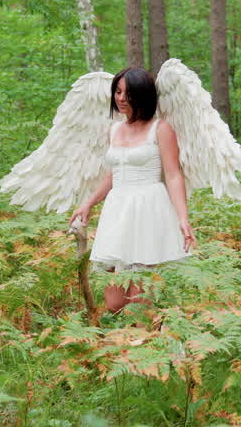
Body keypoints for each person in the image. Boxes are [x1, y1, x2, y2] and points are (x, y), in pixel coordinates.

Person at [68, 67, 196, 313]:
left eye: (128, 93)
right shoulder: (114, 130)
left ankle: (147, 344)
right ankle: (142, 337)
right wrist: (88, 203)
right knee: (115, 301)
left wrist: (183, 218)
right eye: (117, 91)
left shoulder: (160, 128)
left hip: (148, 207)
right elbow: (112, 175)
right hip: (118, 210)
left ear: (144, 95)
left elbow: (173, 174)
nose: (121, 98)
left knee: (139, 300)